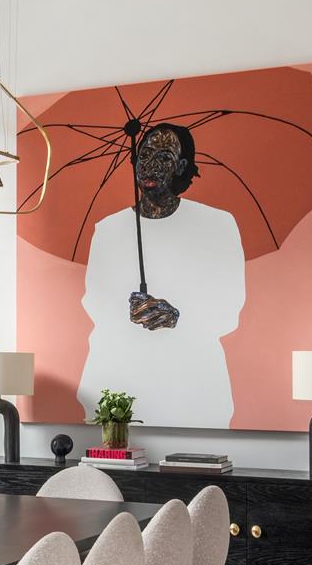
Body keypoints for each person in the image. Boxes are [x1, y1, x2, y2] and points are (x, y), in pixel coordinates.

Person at [77, 124, 245, 429]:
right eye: (144, 155)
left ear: (181, 167)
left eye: (164, 157)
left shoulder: (217, 225)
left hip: (193, 386)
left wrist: (177, 315)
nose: (150, 166)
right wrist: (125, 309)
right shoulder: (108, 230)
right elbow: (94, 303)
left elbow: (229, 309)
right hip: (118, 383)